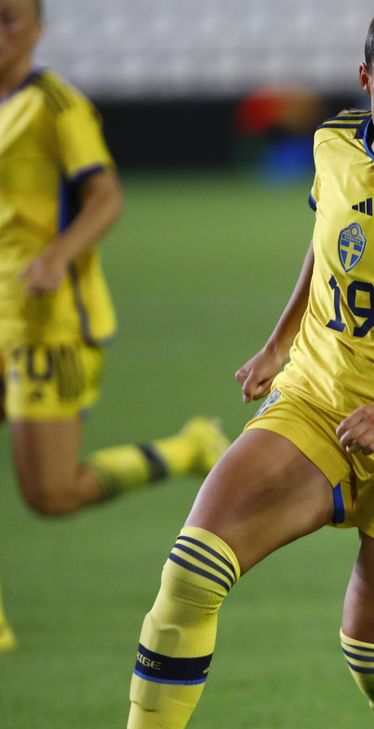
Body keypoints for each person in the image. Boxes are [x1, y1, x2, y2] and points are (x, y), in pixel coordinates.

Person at [35, 0, 374, 729]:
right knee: (192, 568)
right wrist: (280, 340)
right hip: (318, 402)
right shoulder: (333, 143)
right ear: (367, 80)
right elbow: (329, 243)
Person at [0, 0, 228, 651]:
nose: (0, 32)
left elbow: (106, 196)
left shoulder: (56, 106)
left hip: (51, 324)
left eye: (11, 19)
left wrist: (55, 257)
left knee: (51, 493)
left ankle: (183, 450)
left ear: (38, 28)